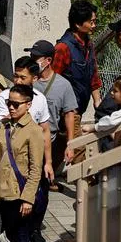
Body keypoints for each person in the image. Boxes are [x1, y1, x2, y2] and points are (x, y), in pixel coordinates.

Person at [0, 84, 44, 242]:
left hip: (19, 193)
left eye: (16, 104)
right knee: (8, 234)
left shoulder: (33, 131)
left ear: (28, 104)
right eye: (9, 103)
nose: (11, 108)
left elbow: (36, 169)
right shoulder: (4, 125)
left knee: (19, 236)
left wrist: (28, 198)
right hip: (3, 190)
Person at [28, 39, 80, 185]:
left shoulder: (63, 85)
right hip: (26, 139)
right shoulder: (28, 80)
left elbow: (70, 115)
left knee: (42, 184)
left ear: (48, 60)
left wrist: (70, 144)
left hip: (47, 142)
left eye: (35, 58)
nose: (31, 61)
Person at [52, 0, 102, 115]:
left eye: (95, 21)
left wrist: (97, 101)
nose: (94, 26)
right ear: (78, 24)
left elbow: (93, 76)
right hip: (66, 113)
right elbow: (53, 81)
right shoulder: (63, 48)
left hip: (79, 110)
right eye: (91, 22)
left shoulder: (89, 45)